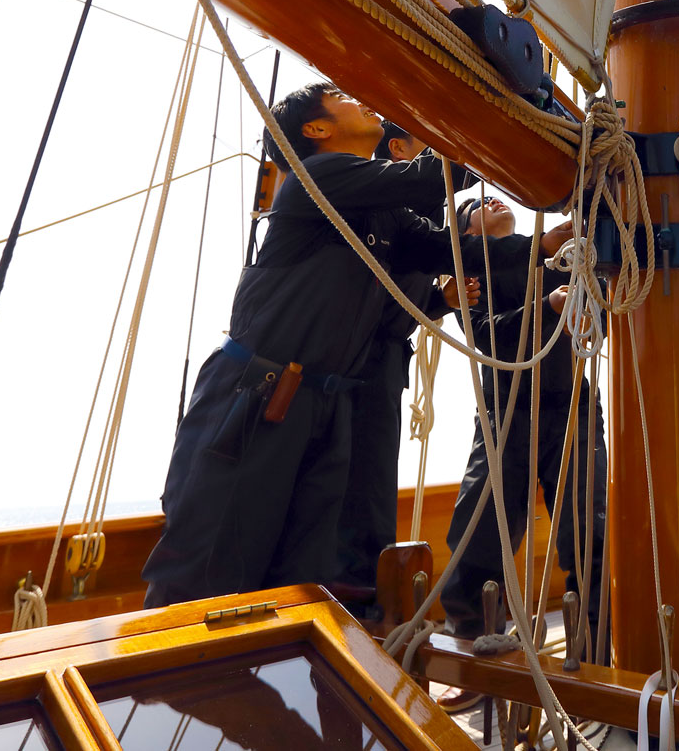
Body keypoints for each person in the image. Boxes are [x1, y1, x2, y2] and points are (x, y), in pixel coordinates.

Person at [144, 83, 568, 608]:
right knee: (208, 564)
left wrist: (542, 245)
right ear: (317, 130)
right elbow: (429, 179)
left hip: (324, 405)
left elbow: (445, 247)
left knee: (300, 579)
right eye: (343, 97)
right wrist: (488, 111)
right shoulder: (313, 178)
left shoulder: (381, 211)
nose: (365, 99)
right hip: (257, 397)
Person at [438, 194, 607, 653]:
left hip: (570, 406)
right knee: (479, 536)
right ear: (465, 236)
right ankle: (471, 640)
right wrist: (550, 306)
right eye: (474, 206)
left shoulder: (560, 257)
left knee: (590, 532)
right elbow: (489, 334)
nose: (490, 198)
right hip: (504, 416)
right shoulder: (465, 278)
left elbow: (601, 315)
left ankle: (593, 649)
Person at [329, 121, 469, 621]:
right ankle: (358, 615)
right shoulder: (386, 201)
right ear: (400, 150)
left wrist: (439, 300)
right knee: (359, 494)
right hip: (360, 365)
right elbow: (379, 299)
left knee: (368, 491)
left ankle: (363, 607)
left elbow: (393, 300)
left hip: (380, 361)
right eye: (424, 144)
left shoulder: (415, 211)